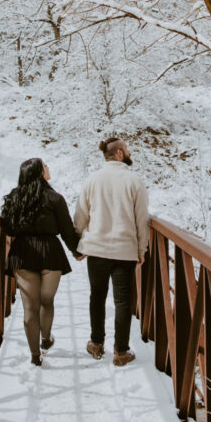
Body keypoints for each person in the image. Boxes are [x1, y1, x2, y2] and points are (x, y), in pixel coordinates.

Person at [74, 136, 149, 366]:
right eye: (126, 149)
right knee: (122, 302)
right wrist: (141, 249)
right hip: (124, 251)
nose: (128, 152)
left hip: (97, 250)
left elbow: (80, 217)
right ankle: (121, 351)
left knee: (97, 297)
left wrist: (81, 243)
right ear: (118, 153)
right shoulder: (134, 181)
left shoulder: (92, 180)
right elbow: (141, 220)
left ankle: (96, 344)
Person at [1, 157, 81, 366]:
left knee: (30, 307)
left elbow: (8, 228)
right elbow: (66, 229)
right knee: (47, 300)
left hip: (23, 253)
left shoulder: (14, 198)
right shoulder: (55, 198)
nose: (48, 168)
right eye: (45, 166)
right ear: (38, 172)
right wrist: (76, 251)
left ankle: (35, 355)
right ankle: (46, 339)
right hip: (50, 252)